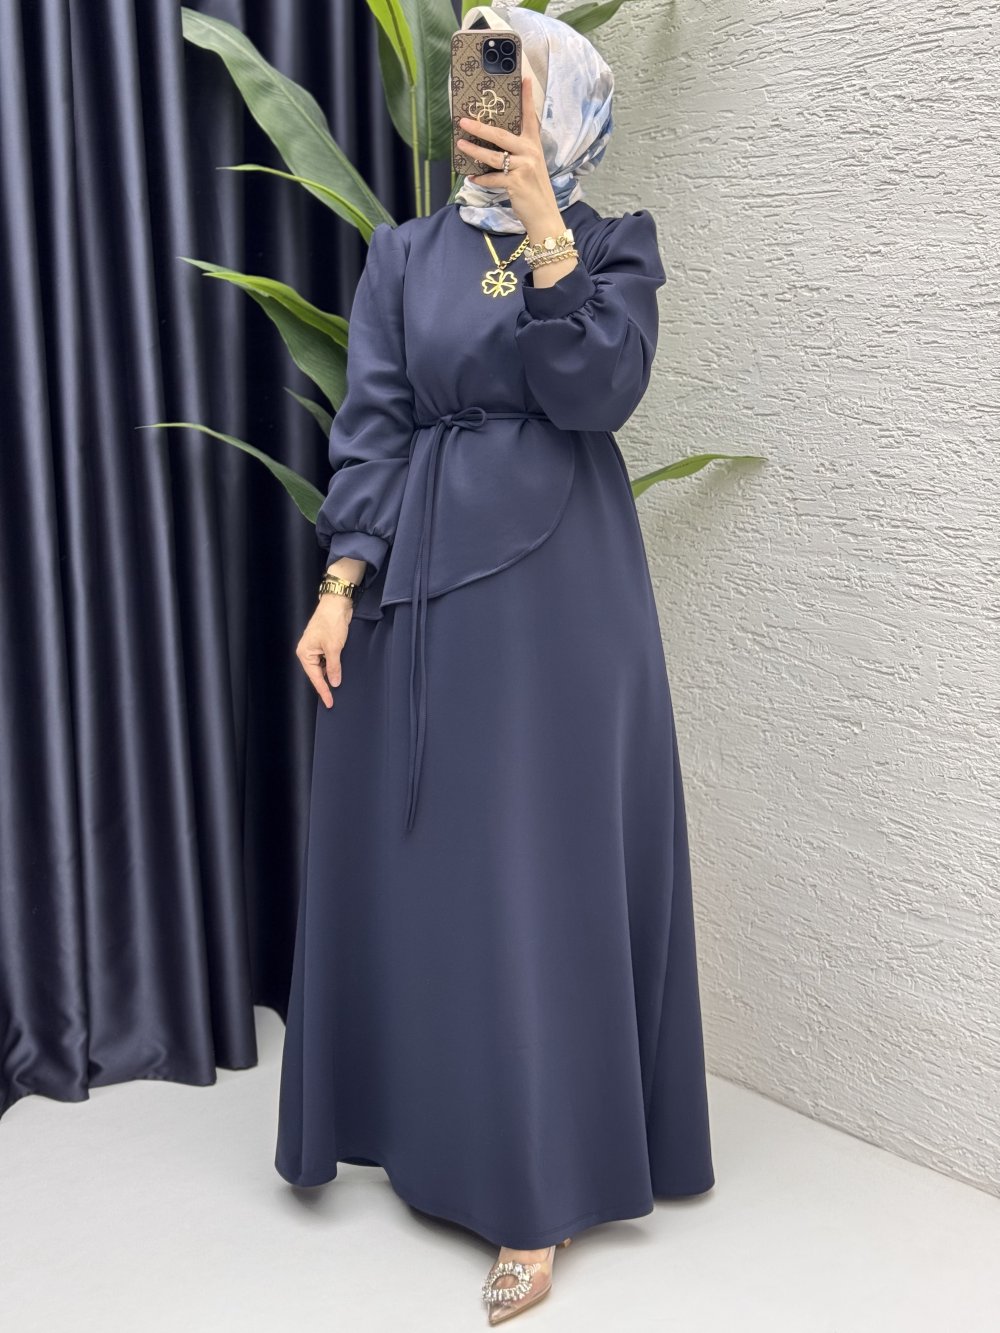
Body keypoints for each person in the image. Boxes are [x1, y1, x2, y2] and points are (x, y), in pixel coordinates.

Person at [274, 4, 715, 1323]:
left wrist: (543, 229)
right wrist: (339, 587)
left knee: (539, 868)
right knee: (436, 865)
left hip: (564, 594)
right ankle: (424, 1120)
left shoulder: (615, 246)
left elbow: (597, 391)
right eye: (476, 83)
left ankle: (542, 1183)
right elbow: (375, 420)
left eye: (514, 86)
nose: (486, 108)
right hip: (419, 581)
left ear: (561, 103)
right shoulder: (404, 254)